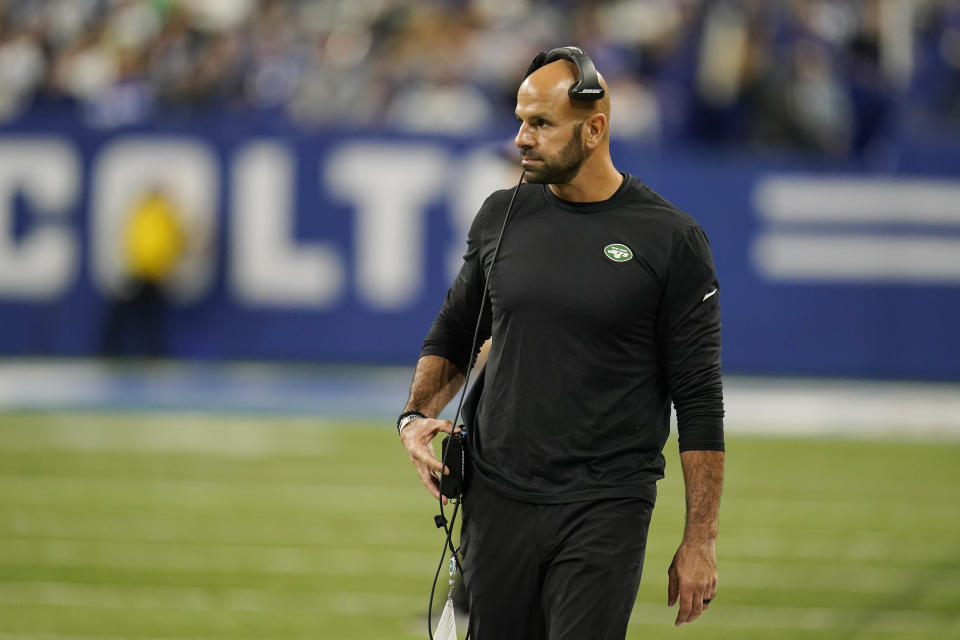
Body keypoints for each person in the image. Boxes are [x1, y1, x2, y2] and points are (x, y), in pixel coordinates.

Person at [397, 48, 724, 640]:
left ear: (595, 128)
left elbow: (699, 400)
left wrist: (699, 539)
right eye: (520, 120)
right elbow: (455, 329)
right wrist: (415, 416)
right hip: (496, 499)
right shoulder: (502, 214)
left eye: (541, 124)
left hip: (606, 505)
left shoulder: (671, 239)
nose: (521, 139)